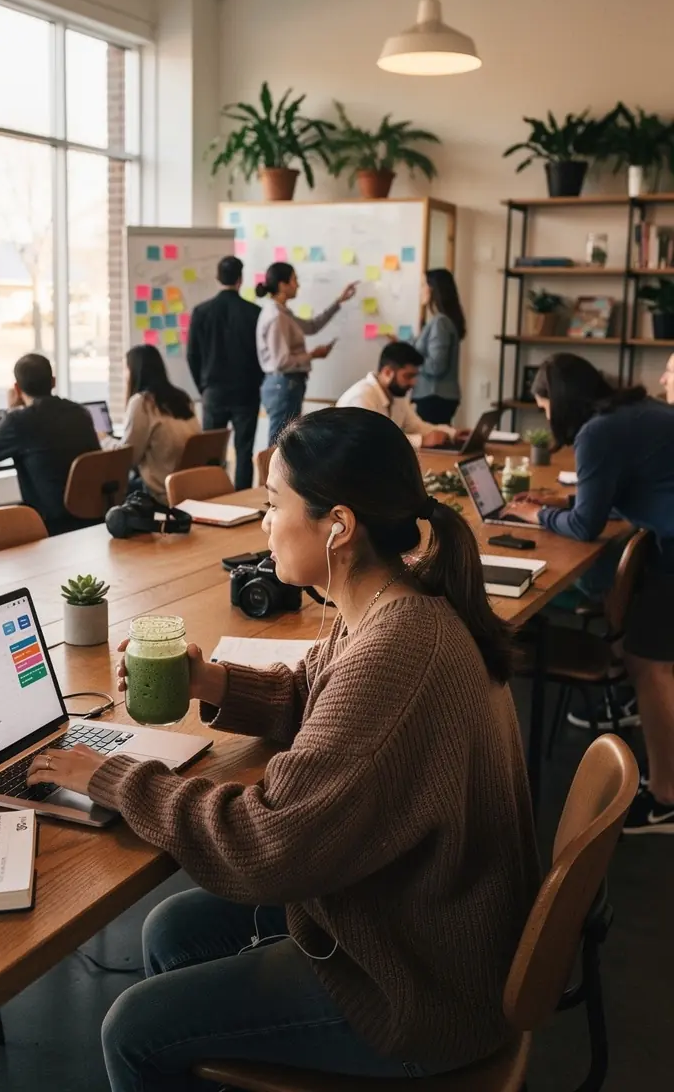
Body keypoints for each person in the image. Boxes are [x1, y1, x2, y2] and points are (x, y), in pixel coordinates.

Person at [28, 407, 539, 1090]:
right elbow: (324, 703)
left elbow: (263, 846)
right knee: (174, 927)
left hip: (418, 989)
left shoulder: (395, 652)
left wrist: (112, 775)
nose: (264, 523)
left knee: (133, 1030)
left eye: (274, 504)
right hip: (418, 915)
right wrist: (210, 681)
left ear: (339, 526)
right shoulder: (395, 602)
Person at [505, 354, 674, 834]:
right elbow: (618, 485)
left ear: (558, 402)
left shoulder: (597, 432)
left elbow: (585, 526)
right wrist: (559, 500)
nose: (545, 417)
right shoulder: (632, 411)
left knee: (654, 667)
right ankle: (625, 693)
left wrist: (534, 517)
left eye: (543, 407)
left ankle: (666, 797)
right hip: (664, 542)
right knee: (647, 658)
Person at [0, 354, 100, 535]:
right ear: (53, 382)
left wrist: (8, 411)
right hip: (92, 511)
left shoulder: (19, 421)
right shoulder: (81, 413)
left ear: (16, 388)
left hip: (49, 519)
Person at [256, 262, 357, 444]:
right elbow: (281, 361)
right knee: (279, 444)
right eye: (294, 280)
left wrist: (339, 301)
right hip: (283, 384)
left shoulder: (283, 313)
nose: (298, 285)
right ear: (282, 285)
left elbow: (311, 327)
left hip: (288, 384)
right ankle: (270, 474)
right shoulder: (276, 317)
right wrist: (312, 355)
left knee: (286, 443)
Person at [187, 256, 262, 490]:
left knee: (212, 451)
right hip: (246, 391)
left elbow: (192, 355)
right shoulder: (254, 312)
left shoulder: (201, 312)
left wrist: (204, 386)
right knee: (244, 449)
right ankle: (241, 499)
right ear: (241, 279)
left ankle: (213, 496)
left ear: (217, 278)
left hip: (213, 391)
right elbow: (262, 355)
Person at [112, 345, 199, 501]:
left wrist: (105, 440)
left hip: (159, 491)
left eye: (126, 369)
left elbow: (129, 457)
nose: (124, 375)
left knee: (112, 490)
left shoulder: (142, 402)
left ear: (135, 371)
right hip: (189, 486)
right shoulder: (183, 398)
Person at [336, 341, 458, 448]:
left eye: (414, 376)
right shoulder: (361, 397)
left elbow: (417, 427)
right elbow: (372, 441)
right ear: (388, 372)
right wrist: (421, 441)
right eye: (408, 376)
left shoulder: (397, 395)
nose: (413, 382)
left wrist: (453, 433)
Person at [413, 268, 466, 425]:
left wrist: (412, 363)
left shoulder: (440, 322)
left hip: (434, 397)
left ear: (433, 289)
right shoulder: (441, 321)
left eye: (423, 285)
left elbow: (436, 366)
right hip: (437, 397)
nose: (420, 290)